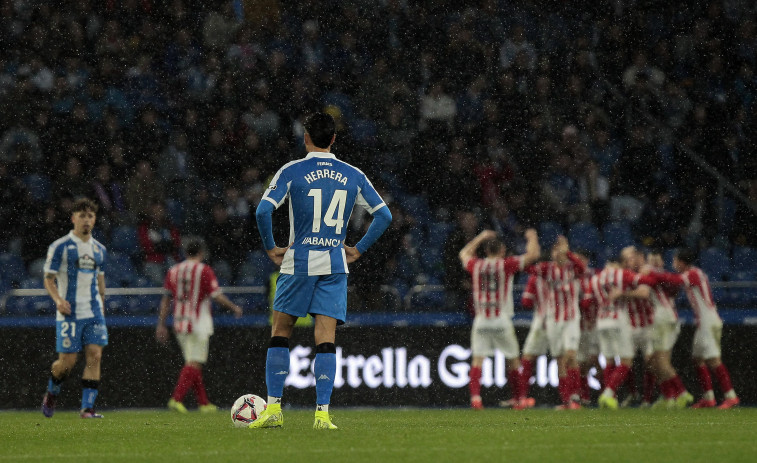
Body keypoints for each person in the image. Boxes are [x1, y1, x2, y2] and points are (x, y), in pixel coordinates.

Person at [251, 112, 392, 430]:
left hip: (298, 262)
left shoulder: (292, 170)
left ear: (305, 137)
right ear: (333, 139)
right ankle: (322, 414)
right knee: (325, 339)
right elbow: (384, 216)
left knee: (281, 332)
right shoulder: (353, 173)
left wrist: (271, 247)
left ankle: (274, 409)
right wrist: (358, 248)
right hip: (334, 265)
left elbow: (262, 210)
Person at [156, 237, 243, 413]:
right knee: (194, 363)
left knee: (192, 362)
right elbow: (216, 295)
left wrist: (161, 324)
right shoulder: (204, 270)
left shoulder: (173, 270)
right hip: (198, 322)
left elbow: (166, 299)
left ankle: (203, 403)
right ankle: (176, 398)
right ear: (202, 252)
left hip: (179, 322)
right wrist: (233, 307)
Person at [41, 198, 108, 419]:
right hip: (69, 311)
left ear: (95, 219)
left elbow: (100, 283)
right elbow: (49, 279)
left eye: (90, 216)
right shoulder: (60, 246)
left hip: (94, 312)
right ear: (73, 218)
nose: (86, 219)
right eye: (82, 215)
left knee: (95, 355)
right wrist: (58, 300)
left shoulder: (100, 249)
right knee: (67, 363)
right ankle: (53, 390)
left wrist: (102, 308)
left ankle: (87, 408)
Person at [459, 228, 540, 410]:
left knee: (477, 360)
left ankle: (476, 398)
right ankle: (519, 399)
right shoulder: (506, 265)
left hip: (481, 320)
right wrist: (532, 236)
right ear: (502, 251)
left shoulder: (477, 265)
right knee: (512, 360)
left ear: (486, 251)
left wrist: (480, 237)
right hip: (501, 319)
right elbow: (532, 255)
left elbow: (463, 253)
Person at [652, 249, 740, 409]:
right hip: (703, 322)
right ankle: (709, 398)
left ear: (681, 262)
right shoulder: (692, 274)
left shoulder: (693, 273)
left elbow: (675, 280)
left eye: (675, 260)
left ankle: (731, 396)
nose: (673, 264)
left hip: (709, 321)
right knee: (698, 359)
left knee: (713, 359)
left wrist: (652, 273)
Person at [528, 236, 586, 409]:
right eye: (555, 250)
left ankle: (575, 396)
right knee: (560, 360)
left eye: (560, 250)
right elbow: (527, 267)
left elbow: (582, 268)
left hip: (571, 318)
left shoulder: (573, 268)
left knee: (571, 355)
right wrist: (532, 249)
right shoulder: (547, 269)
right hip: (554, 319)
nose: (557, 253)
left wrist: (568, 252)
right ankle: (566, 400)